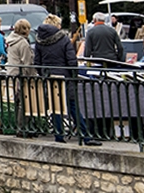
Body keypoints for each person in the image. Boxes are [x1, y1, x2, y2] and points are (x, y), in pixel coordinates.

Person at [34, 14, 101, 146]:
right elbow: (71, 60)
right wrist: (73, 75)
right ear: (56, 25)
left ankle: (59, 136)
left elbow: (37, 61)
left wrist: (44, 74)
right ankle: (85, 136)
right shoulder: (63, 39)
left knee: (55, 107)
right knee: (73, 106)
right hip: (65, 76)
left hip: (50, 77)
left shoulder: (39, 40)